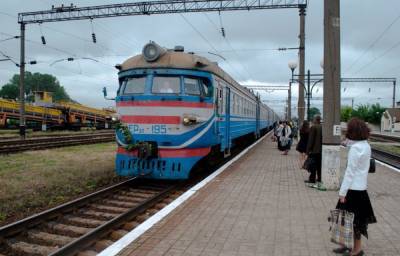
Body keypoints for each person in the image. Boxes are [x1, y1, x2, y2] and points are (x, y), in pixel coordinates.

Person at [333, 118, 377, 256]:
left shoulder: (355, 149)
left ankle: (356, 250)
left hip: (352, 190)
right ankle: (347, 246)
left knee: (351, 220)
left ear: (353, 132)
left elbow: (350, 172)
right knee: (354, 220)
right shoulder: (365, 146)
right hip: (361, 189)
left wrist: (342, 192)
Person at [305, 115, 322, 183]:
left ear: (315, 120)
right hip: (320, 151)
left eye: (313, 119)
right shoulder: (322, 127)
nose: (313, 120)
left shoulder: (313, 127)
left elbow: (311, 140)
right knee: (319, 166)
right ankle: (320, 178)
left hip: (314, 150)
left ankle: (312, 179)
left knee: (312, 165)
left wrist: (308, 150)